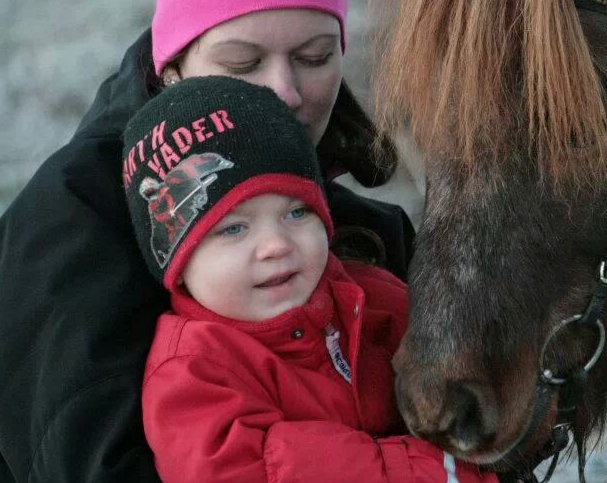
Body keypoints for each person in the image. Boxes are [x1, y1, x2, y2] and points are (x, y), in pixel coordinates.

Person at [0, 0, 415, 481]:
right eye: (242, 62)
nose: (284, 91)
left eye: (314, 57)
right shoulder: (66, 236)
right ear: (170, 67)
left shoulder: (374, 232)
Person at [123, 76, 490, 483]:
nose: (276, 245)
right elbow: (246, 471)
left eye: (297, 212)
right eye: (233, 229)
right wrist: (431, 470)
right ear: (177, 263)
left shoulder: (369, 295)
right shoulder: (193, 372)